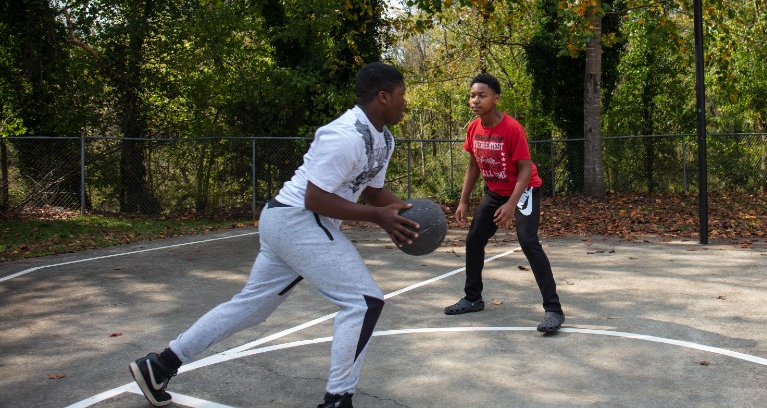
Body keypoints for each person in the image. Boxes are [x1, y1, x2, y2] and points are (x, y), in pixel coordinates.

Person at [129, 62, 420, 408]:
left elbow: (372, 192)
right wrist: (378, 217)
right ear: (383, 97)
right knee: (364, 301)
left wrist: (408, 214)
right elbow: (316, 198)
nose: (407, 102)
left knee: (251, 307)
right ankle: (338, 399)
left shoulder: (383, 138)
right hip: (297, 218)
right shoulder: (345, 135)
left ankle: (160, 364)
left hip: (293, 222)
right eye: (402, 94)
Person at [444, 72, 564, 333]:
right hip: (495, 191)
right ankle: (472, 298)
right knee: (474, 239)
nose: (475, 100)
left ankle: (553, 309)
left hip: (524, 190)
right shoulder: (474, 128)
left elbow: (524, 169)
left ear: (495, 98)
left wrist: (511, 204)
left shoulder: (512, 128)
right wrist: (463, 201)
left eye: (482, 95)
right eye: (472, 95)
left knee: (528, 241)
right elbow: (474, 165)